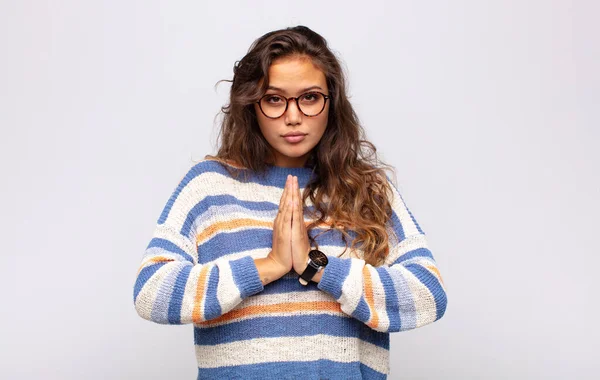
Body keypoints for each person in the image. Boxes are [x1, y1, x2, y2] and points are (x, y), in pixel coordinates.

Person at [133, 25, 447, 379]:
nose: (293, 116)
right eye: (274, 99)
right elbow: (151, 292)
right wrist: (269, 265)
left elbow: (427, 294)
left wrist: (319, 268)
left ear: (332, 102)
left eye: (310, 97)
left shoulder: (368, 188)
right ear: (252, 105)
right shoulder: (209, 187)